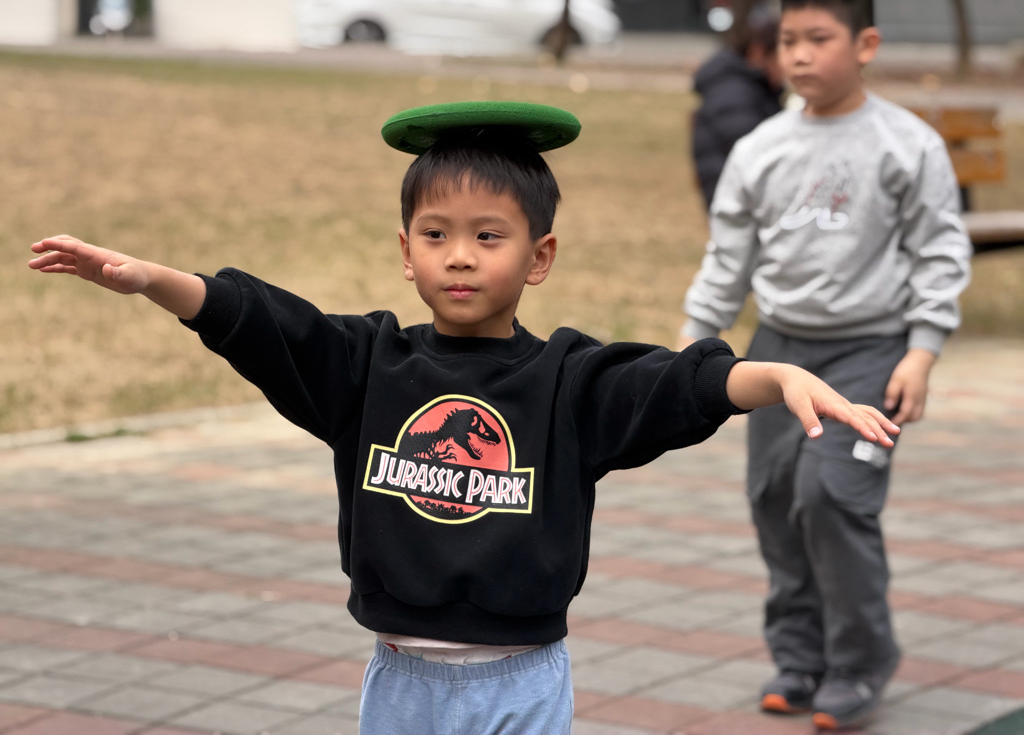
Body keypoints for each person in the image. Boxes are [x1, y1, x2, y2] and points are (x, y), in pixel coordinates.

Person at [29, 101, 899, 735]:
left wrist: (774, 374)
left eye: (489, 236)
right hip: (399, 679)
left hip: (521, 681)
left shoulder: (566, 381)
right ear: (405, 252)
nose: (459, 257)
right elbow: (267, 325)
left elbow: (673, 386)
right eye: (436, 234)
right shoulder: (368, 366)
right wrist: (155, 281)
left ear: (539, 256)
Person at [679, 0, 972, 731]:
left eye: (819, 39)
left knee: (830, 495)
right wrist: (694, 339)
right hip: (778, 350)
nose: (800, 55)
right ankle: (799, 656)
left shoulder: (906, 144)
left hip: (872, 350)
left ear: (866, 45)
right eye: (788, 41)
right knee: (775, 497)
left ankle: (860, 662)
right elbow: (729, 258)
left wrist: (922, 351)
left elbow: (940, 252)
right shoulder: (760, 148)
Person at [691, 8, 785, 211]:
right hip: (737, 202)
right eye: (783, 53)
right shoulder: (734, 92)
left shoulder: (752, 87)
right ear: (758, 52)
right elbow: (759, 153)